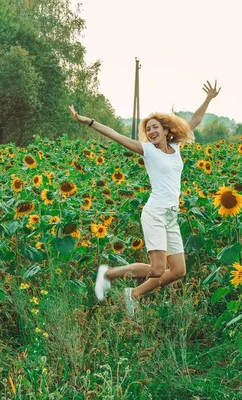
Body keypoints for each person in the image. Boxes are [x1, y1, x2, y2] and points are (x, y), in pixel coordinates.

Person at [68, 80, 221, 317]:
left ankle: (133, 294)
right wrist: (88, 121)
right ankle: (107, 274)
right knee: (158, 268)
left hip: (171, 215)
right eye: (148, 129)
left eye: (155, 127)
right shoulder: (147, 150)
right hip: (155, 212)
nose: (151, 131)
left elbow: (196, 120)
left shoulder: (177, 147)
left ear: (167, 130)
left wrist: (209, 98)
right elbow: (115, 135)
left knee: (178, 270)